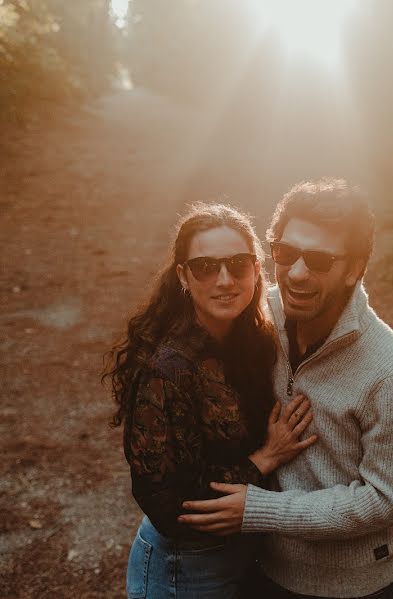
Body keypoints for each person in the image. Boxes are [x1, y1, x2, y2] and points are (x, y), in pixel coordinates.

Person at [178, 179, 393, 598]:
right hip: (260, 567)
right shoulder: (258, 315)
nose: (296, 272)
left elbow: (386, 501)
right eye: (286, 252)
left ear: (354, 269)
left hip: (351, 587)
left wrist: (259, 511)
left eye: (318, 260)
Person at [103, 203, 318, 599]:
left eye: (238, 264)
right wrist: (266, 459)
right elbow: (167, 505)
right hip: (185, 569)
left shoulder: (253, 340)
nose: (224, 280)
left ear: (257, 270)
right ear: (184, 276)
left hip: (249, 556)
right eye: (205, 267)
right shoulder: (166, 371)